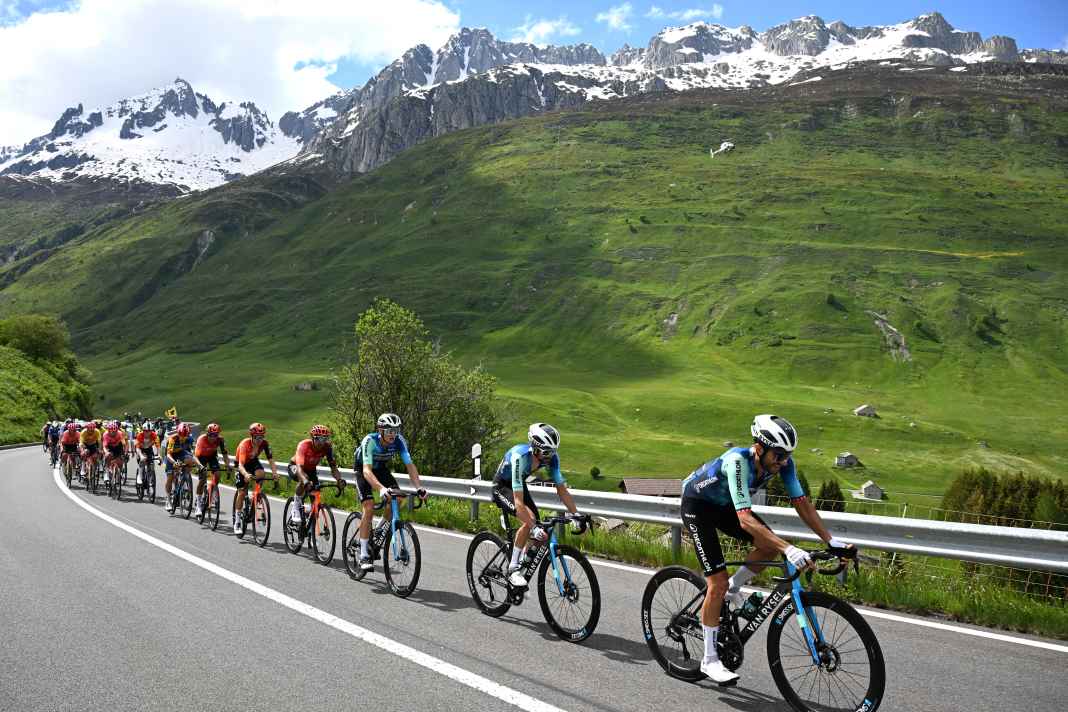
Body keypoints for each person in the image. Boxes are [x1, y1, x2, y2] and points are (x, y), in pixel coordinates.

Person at [679, 414, 855, 685]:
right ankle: (709, 659)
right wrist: (790, 549)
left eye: (787, 456)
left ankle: (734, 588)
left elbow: (801, 502)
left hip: (725, 507)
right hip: (698, 507)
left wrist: (830, 540)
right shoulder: (738, 461)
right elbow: (745, 519)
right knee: (717, 582)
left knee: (768, 546)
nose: (783, 462)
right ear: (759, 448)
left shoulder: (782, 463)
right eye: (779, 455)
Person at [491, 422, 582, 588]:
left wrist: (576, 514)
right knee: (530, 521)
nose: (550, 456)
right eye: (547, 452)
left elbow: (562, 490)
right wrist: (532, 526)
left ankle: (524, 562)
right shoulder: (520, 457)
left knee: (540, 529)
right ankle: (513, 570)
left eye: (553, 451)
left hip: (518, 485)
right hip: (502, 486)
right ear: (534, 446)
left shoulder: (551, 458)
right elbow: (518, 501)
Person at [352, 413, 427, 571]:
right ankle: (364, 554)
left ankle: (379, 530)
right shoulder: (370, 441)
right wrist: (380, 489)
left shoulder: (399, 441)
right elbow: (366, 471)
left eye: (396, 430)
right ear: (380, 430)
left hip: (381, 470)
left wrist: (419, 487)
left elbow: (410, 465)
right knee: (369, 506)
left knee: (399, 498)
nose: (393, 434)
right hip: (364, 470)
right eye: (389, 431)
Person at [287, 425, 345, 526]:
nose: (321, 442)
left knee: (316, 506)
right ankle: (296, 506)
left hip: (311, 470)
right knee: (304, 478)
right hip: (296, 467)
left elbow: (333, 468)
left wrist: (339, 479)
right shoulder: (304, 445)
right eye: (319, 439)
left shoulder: (327, 447)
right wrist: (305, 481)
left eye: (324, 439)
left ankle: (307, 518)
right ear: (313, 438)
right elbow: (300, 468)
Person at [232, 423, 279, 534]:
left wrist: (275, 473)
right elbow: (240, 465)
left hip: (253, 462)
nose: (260, 439)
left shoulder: (265, 444)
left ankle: (256, 494)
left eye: (262, 437)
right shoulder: (245, 444)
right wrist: (246, 474)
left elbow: (271, 460)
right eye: (257, 437)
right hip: (241, 464)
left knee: (261, 473)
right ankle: (237, 521)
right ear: (252, 436)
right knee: (242, 492)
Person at [192, 423, 230, 518]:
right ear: (207, 433)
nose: (213, 437)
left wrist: (228, 465)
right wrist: (200, 466)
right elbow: (195, 456)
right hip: (201, 458)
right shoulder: (201, 439)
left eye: (216, 435)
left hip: (212, 456)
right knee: (203, 478)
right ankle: (198, 504)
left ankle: (212, 492)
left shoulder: (220, 440)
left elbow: (225, 454)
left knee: (217, 474)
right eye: (211, 435)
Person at [163, 422, 196, 513]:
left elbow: (193, 453)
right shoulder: (173, 439)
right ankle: (168, 499)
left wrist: (194, 463)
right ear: (178, 433)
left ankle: (185, 478)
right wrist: (174, 463)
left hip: (181, 453)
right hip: (171, 456)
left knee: (189, 461)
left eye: (185, 435)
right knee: (170, 476)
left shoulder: (189, 439)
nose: (183, 437)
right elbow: (168, 455)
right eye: (181, 435)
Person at [134, 420, 160, 486]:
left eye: (149, 431)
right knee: (143, 460)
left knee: (151, 464)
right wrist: (141, 455)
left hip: (149, 449)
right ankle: (139, 476)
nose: (147, 433)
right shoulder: (140, 435)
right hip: (140, 449)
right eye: (145, 431)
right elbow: (137, 447)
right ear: (143, 430)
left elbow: (157, 445)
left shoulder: (154, 435)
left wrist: (159, 455)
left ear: (151, 431)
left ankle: (150, 477)